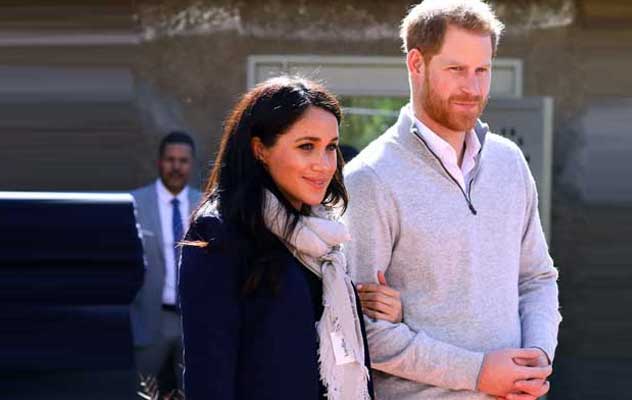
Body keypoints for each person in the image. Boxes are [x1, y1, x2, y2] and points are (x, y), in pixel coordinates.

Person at [344, 1, 563, 399]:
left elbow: (536, 279)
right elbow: (363, 330)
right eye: (456, 70)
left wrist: (537, 355)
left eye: (483, 70)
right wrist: (478, 372)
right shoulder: (370, 179)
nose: (473, 88)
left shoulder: (509, 162)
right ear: (417, 64)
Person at [178, 76, 400, 400]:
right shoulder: (220, 234)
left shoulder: (326, 239)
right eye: (306, 146)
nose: (324, 165)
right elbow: (209, 377)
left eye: (331, 147)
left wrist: (379, 313)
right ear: (260, 150)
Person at [130, 131, 202, 393]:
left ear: (191, 164)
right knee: (141, 391)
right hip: (150, 319)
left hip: (193, 319)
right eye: (170, 160)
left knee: (195, 391)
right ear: (160, 162)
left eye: (183, 161)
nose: (176, 167)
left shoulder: (205, 204)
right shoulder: (135, 203)